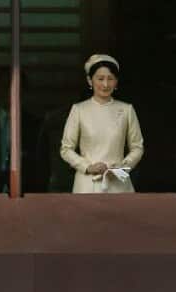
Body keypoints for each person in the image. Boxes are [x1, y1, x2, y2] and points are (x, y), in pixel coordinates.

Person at [58, 54, 144, 194]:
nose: (105, 84)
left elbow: (137, 147)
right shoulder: (79, 110)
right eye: (100, 78)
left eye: (110, 79)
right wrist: (88, 167)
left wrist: (121, 169)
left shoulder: (126, 110)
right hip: (86, 183)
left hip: (119, 182)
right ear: (90, 80)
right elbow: (66, 149)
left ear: (116, 82)